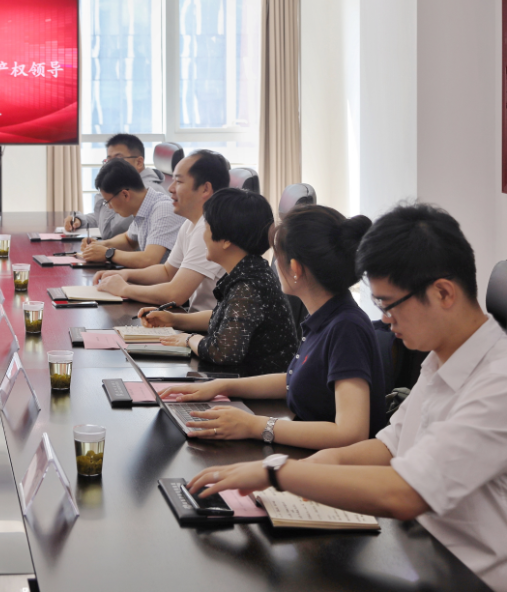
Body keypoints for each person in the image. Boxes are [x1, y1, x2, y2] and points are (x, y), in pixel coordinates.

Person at [188, 204, 507, 591]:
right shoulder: (440, 362)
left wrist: (278, 473)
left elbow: (407, 493)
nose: (384, 320)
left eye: (389, 305)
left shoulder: (498, 384)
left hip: (468, 575)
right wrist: (322, 465)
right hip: (418, 552)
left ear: (443, 293)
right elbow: (388, 446)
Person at [159, 204, 386, 447]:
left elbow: (351, 433)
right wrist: (221, 386)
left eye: (278, 256)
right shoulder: (326, 316)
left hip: (327, 462)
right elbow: (295, 380)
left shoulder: (346, 328)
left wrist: (255, 426)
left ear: (295, 268)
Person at [140, 187, 298, 376]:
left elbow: (223, 352)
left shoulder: (248, 285)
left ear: (225, 240)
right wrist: (174, 319)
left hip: (254, 389)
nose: (203, 235)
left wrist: (189, 339)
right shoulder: (249, 270)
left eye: (206, 226)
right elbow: (225, 317)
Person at [93, 149, 229, 315]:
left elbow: (175, 294)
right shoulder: (190, 223)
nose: (170, 188)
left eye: (179, 182)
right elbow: (167, 272)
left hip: (209, 326)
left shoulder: (208, 228)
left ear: (205, 189)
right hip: (194, 319)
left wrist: (124, 289)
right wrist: (125, 274)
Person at [75, 158, 183, 268]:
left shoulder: (163, 210)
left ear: (125, 195)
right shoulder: (144, 207)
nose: (109, 207)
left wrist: (108, 253)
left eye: (109, 201)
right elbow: (128, 240)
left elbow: (149, 259)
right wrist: (100, 245)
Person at [64, 134, 168, 240]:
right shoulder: (130, 186)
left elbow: (109, 231)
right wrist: (80, 220)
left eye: (118, 159)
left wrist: (105, 186)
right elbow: (112, 213)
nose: (110, 165)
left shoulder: (143, 193)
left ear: (139, 162)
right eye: (109, 160)